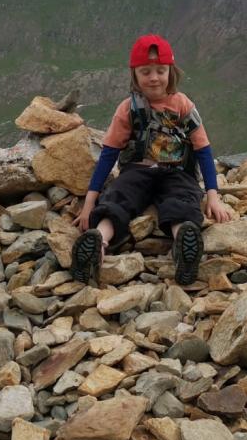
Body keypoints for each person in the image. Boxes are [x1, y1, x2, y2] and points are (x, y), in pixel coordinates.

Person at [71, 33, 233, 285]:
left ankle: (184, 242)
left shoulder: (183, 105)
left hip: (177, 172)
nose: (154, 77)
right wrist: (90, 202)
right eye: (145, 71)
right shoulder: (127, 108)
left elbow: (203, 149)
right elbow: (109, 153)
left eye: (160, 70)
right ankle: (97, 241)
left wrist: (213, 195)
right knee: (118, 196)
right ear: (134, 74)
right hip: (138, 171)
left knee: (182, 199)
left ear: (171, 71)